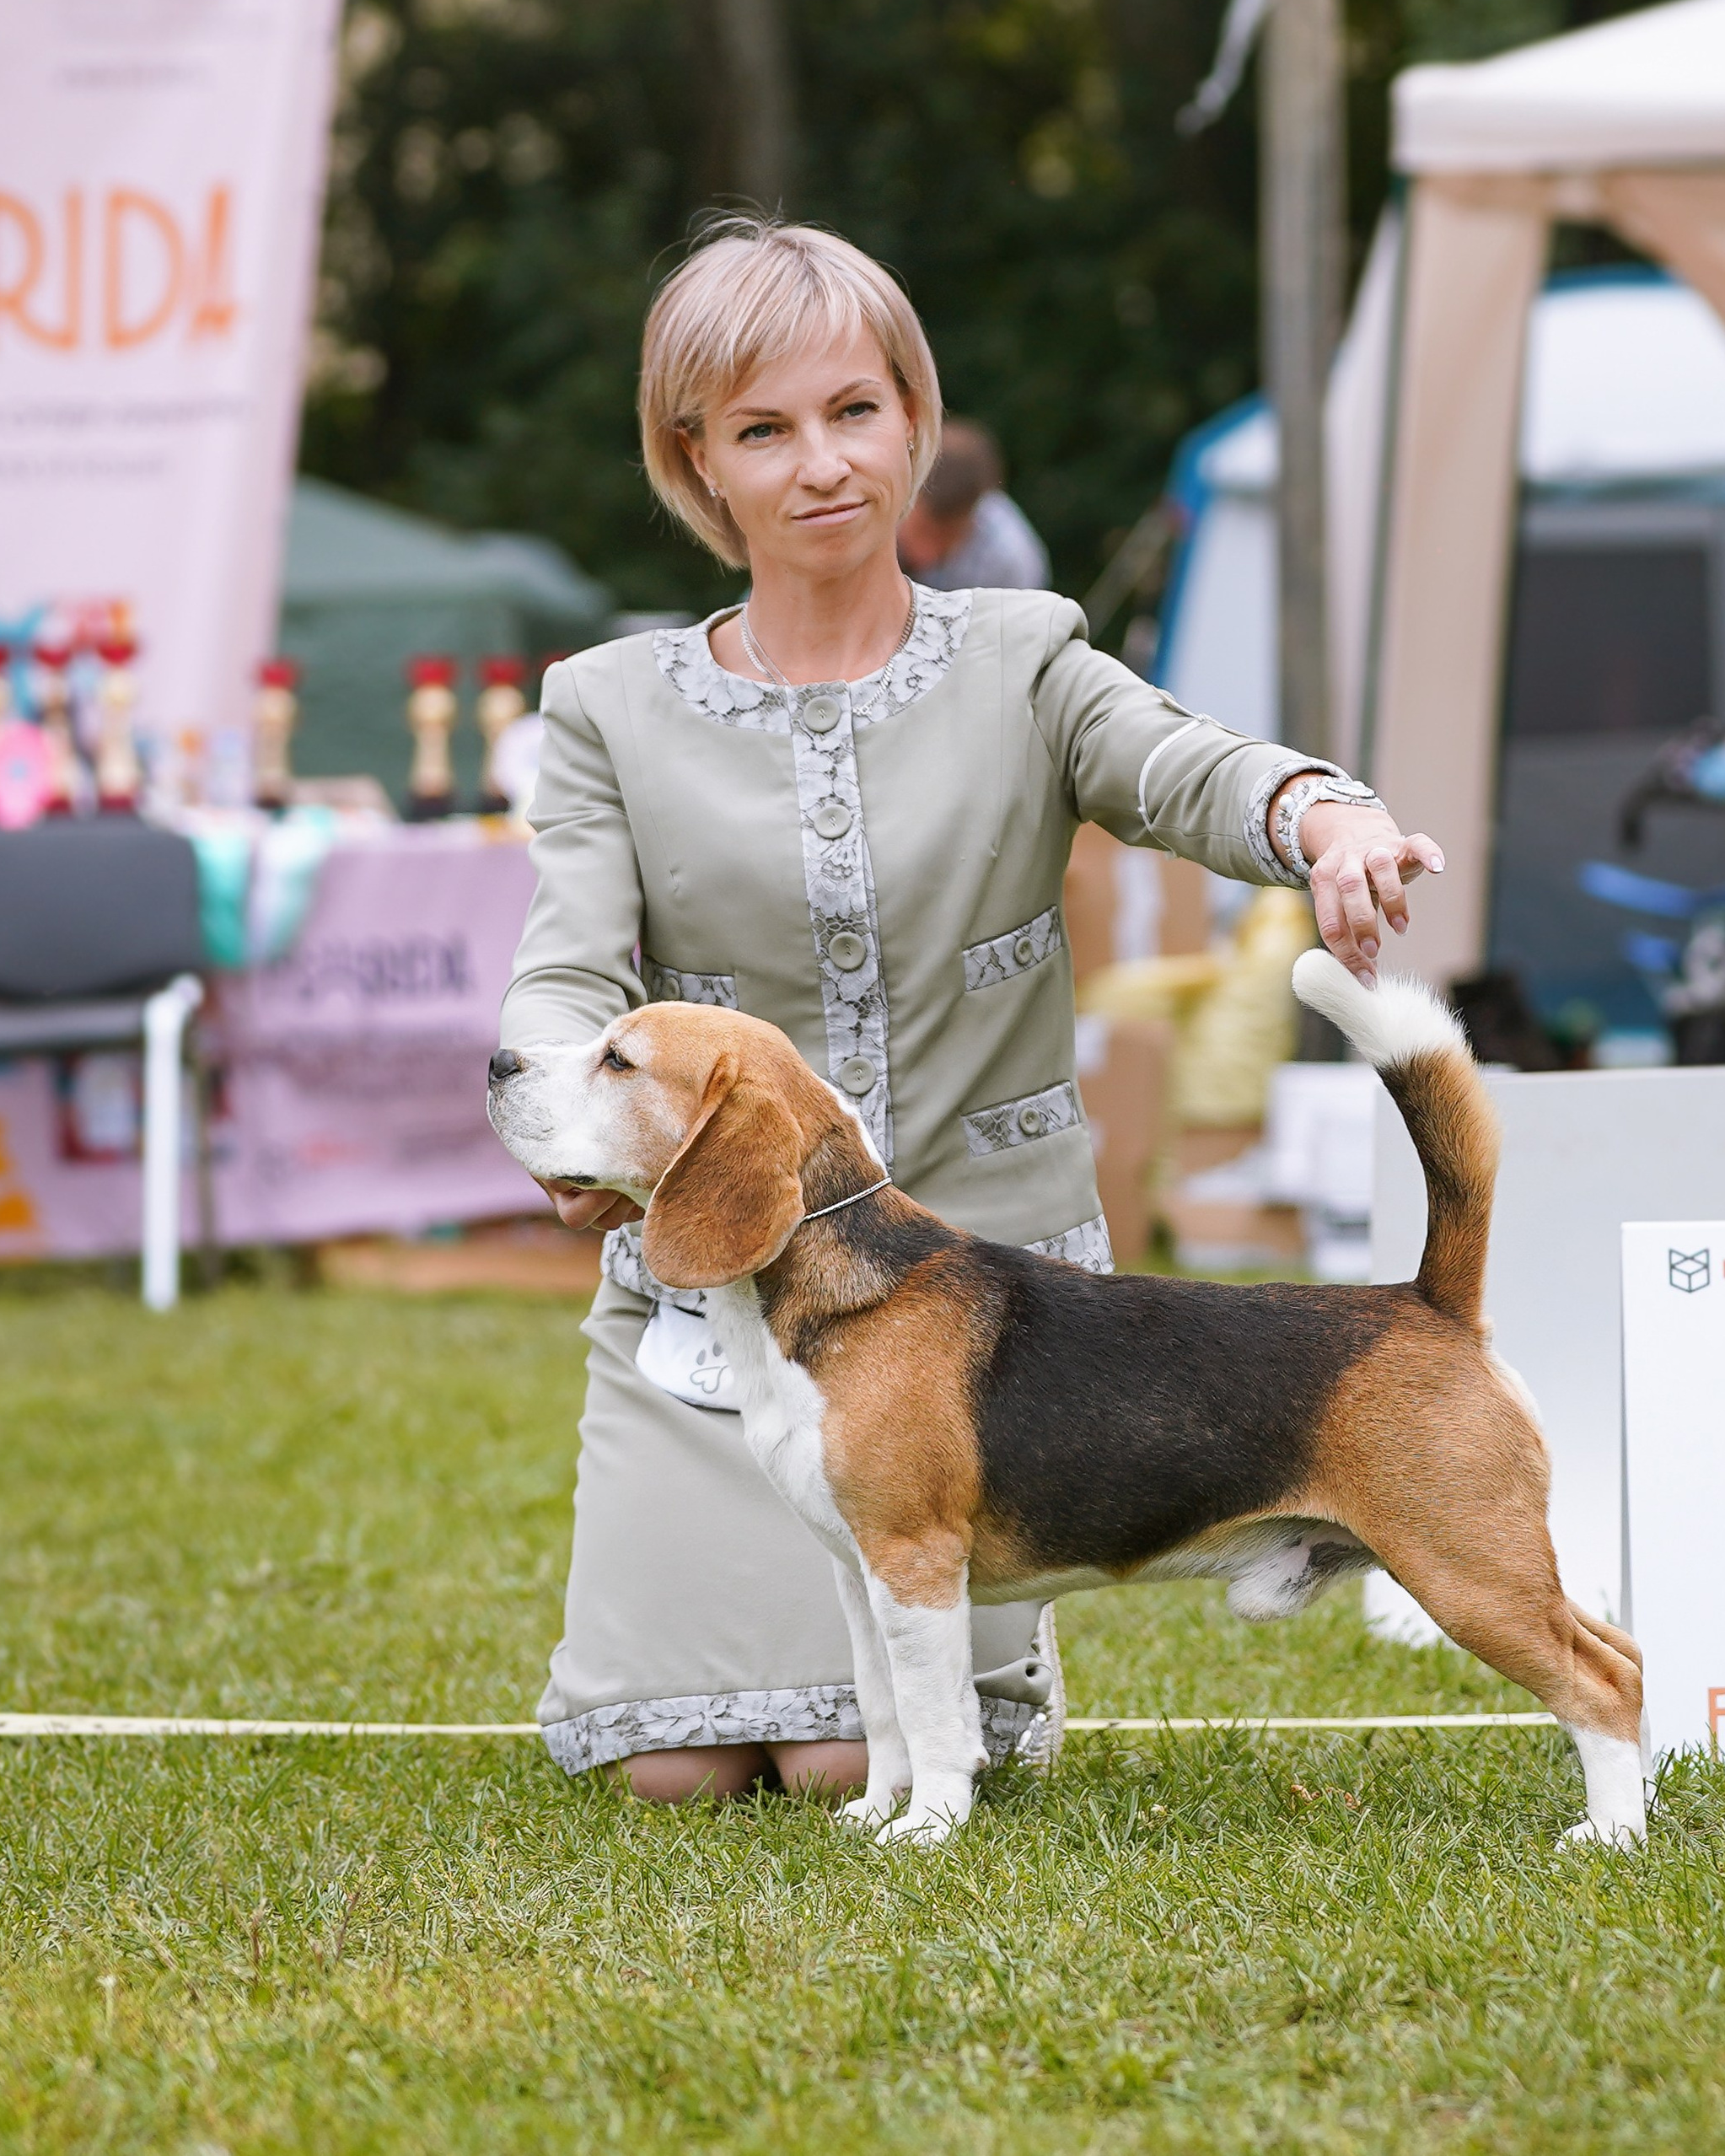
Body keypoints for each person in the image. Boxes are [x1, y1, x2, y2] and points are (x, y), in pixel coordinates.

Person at [501, 216, 1442, 1804]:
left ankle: (977, 1645)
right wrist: (559, 1088)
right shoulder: (607, 705)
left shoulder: (1025, 654)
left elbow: (1185, 766)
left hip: (991, 1343)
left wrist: (1325, 819)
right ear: (697, 460)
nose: (823, 464)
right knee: (673, 1775)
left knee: (829, 1763)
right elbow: (571, 964)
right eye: (763, 430)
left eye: (856, 410)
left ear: (916, 418)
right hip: (715, 1304)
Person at [896, 417, 1049, 591]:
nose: (924, 556)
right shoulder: (885, 499)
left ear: (973, 516)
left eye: (943, 537)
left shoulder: (1012, 564)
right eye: (921, 530)